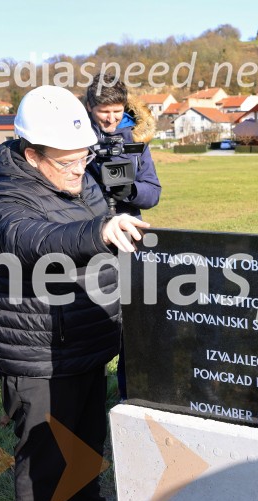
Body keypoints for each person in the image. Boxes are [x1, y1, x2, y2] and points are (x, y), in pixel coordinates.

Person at [0, 85, 150, 501]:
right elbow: (30, 238)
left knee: (87, 442)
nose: (79, 169)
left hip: (86, 337)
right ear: (32, 155)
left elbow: (100, 223)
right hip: (38, 349)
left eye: (84, 157)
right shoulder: (1, 196)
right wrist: (98, 232)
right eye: (67, 162)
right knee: (46, 457)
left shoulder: (79, 176)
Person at [84, 72, 161, 399]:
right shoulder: (75, 138)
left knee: (132, 321)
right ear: (90, 107)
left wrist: (128, 190)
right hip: (88, 240)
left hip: (129, 241)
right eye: (104, 112)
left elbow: (153, 192)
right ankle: (88, 393)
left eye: (117, 112)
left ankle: (130, 395)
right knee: (91, 318)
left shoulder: (136, 140)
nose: (111, 119)